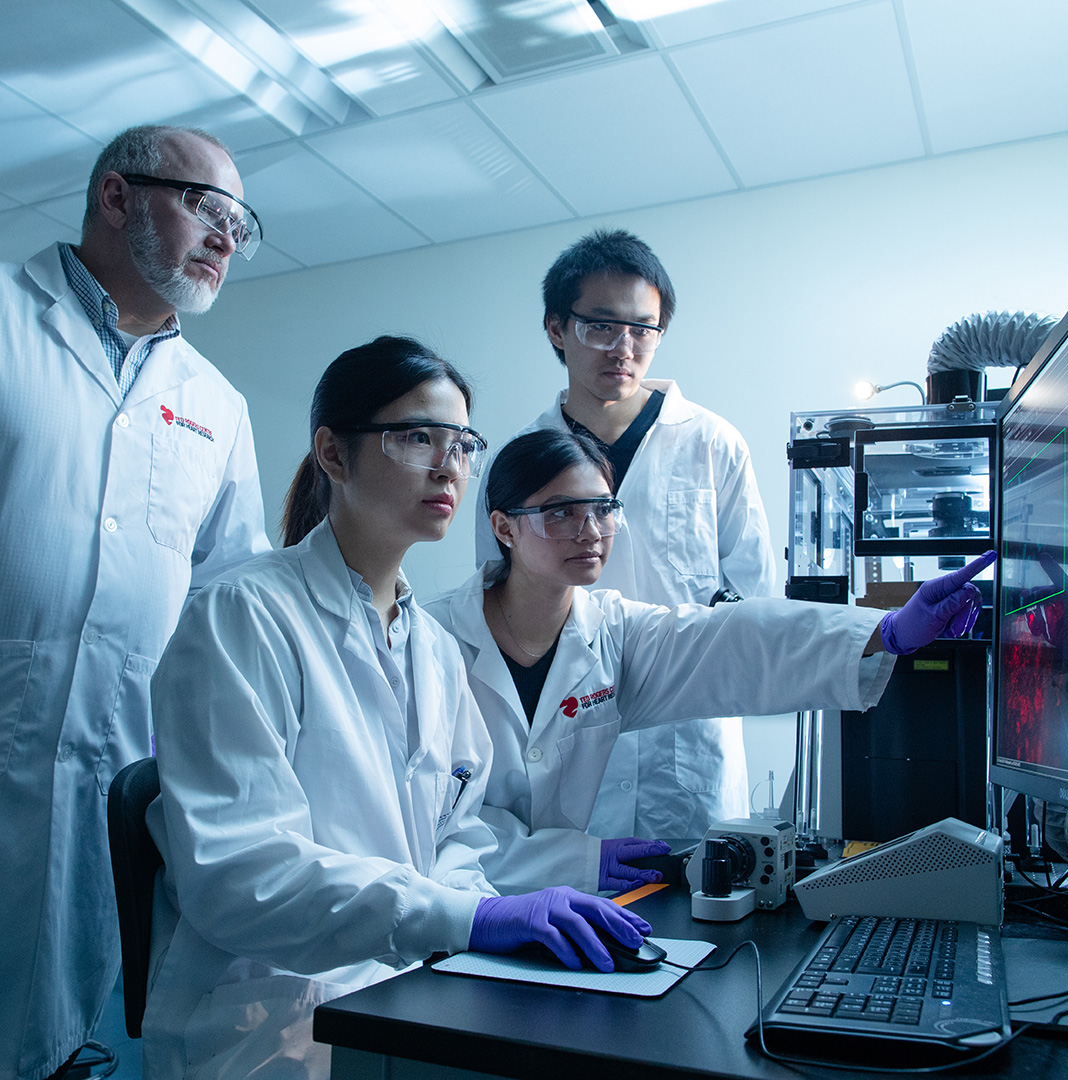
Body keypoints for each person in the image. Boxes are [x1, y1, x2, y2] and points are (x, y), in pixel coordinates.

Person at [141, 338, 651, 1080]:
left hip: (407, 989)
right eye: (417, 437)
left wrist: (488, 918)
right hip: (272, 1016)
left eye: (462, 444)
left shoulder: (435, 648)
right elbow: (243, 876)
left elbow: (457, 832)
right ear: (334, 453)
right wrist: (466, 920)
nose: (449, 465)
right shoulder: (242, 617)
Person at [0, 125, 270, 1080]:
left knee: (80, 1037)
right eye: (207, 207)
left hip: (119, 777)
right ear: (116, 198)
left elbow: (231, 603)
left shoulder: (217, 403)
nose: (228, 238)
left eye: (243, 224)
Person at [445, 428, 995, 895]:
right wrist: (565, 862)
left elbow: (733, 640)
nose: (590, 532)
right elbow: (428, 824)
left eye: (603, 510)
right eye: (561, 512)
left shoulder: (610, 632)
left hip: (561, 908)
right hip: (436, 925)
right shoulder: (434, 639)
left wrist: (885, 630)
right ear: (504, 527)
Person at [475, 227, 774, 847]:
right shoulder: (517, 462)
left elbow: (754, 597)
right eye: (601, 326)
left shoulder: (713, 443)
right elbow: (498, 609)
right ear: (557, 328)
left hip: (687, 747)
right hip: (568, 737)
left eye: (644, 329)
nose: (625, 348)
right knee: (577, 920)